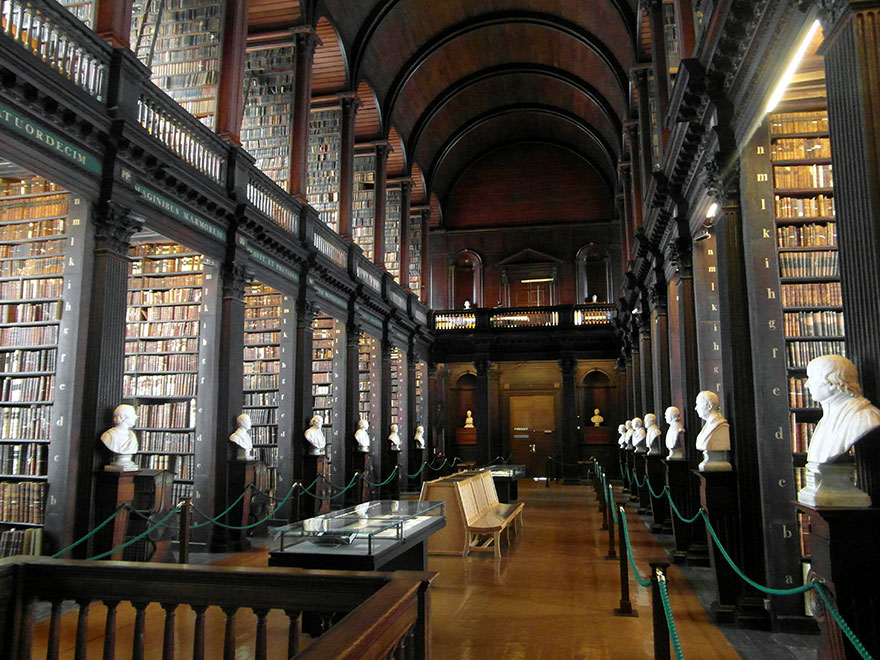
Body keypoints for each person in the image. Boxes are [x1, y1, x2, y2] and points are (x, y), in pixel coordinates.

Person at [804, 354, 880, 464]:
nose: (807, 384)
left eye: (811, 377)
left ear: (832, 382)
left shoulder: (865, 418)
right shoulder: (828, 418)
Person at [694, 391, 730, 470]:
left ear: (709, 406)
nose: (695, 408)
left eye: (698, 404)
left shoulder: (720, 426)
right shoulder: (708, 425)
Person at [101, 404, 139, 471]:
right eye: (133, 414)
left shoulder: (132, 436)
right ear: (123, 417)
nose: (136, 417)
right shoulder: (109, 436)